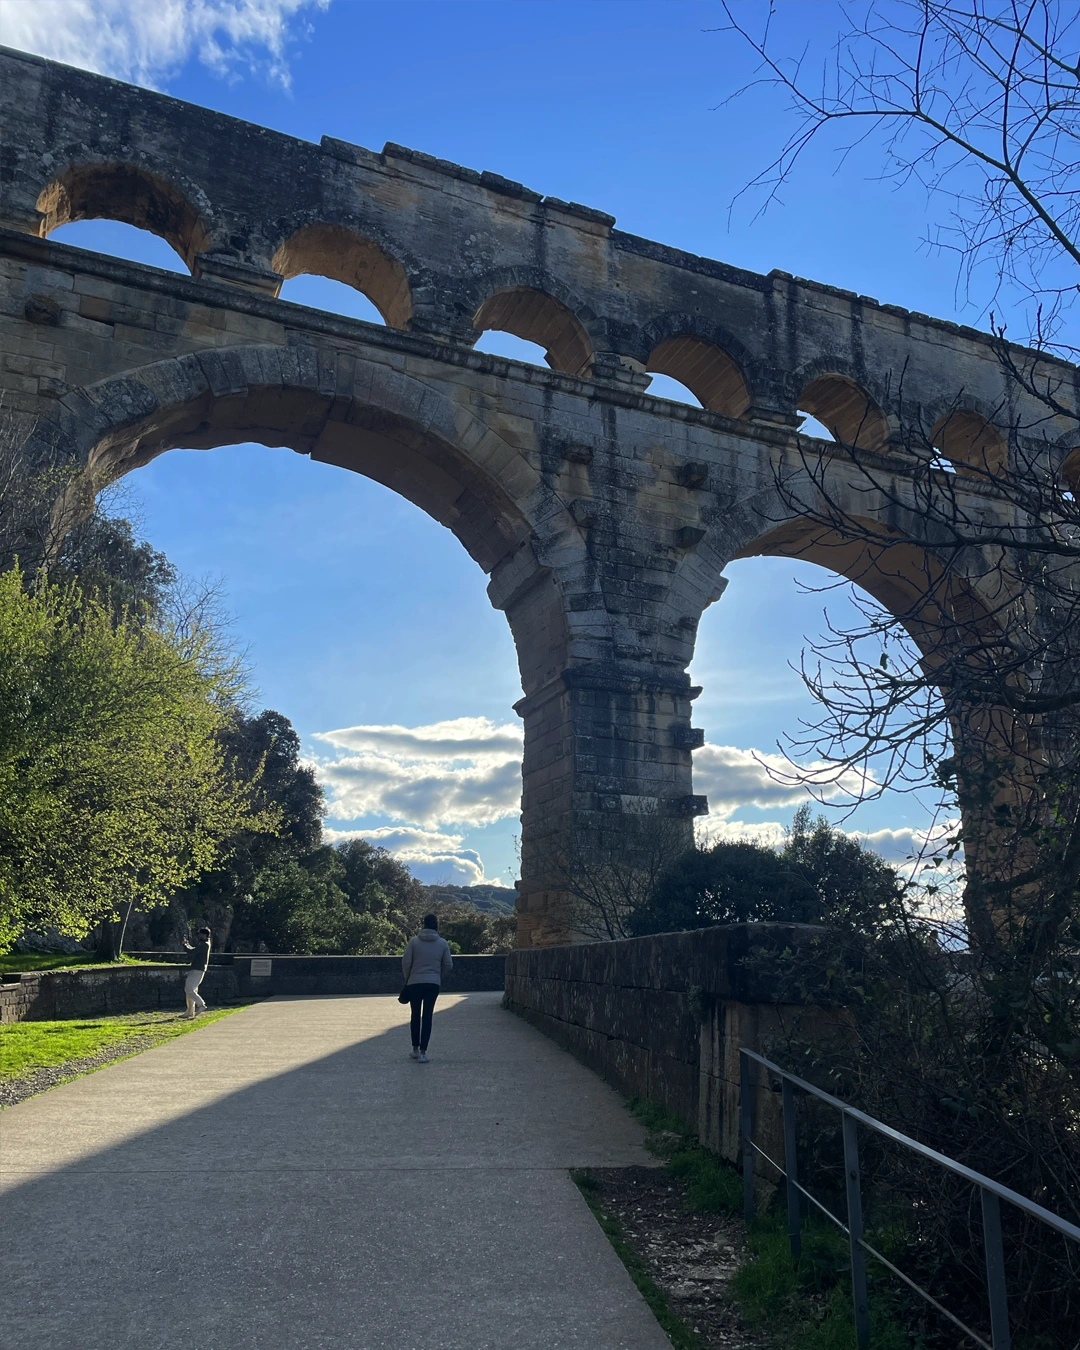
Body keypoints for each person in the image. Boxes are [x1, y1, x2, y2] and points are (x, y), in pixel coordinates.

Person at [400, 914, 452, 1063]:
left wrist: (408, 977)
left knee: (415, 1015)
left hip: (414, 982)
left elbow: (406, 962)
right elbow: (448, 964)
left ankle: (415, 1049)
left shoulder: (414, 941)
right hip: (433, 983)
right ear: (436, 925)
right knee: (427, 1015)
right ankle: (424, 1053)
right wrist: (437, 976)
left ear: (424, 924)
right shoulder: (442, 943)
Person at [181, 926, 212, 1019]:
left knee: (189, 989)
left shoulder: (204, 945)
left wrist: (185, 945)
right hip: (198, 968)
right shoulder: (204, 944)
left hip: (197, 969)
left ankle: (201, 1005)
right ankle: (190, 1011)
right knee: (190, 990)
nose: (199, 936)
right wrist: (187, 944)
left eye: (201, 934)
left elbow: (192, 951)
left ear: (205, 935)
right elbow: (194, 949)